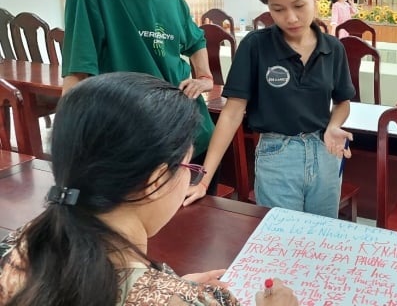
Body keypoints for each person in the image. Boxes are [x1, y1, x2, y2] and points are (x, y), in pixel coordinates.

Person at [0, 72, 298, 305]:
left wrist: (164, 285)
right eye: (189, 168)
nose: (189, 180)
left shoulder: (20, 244)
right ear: (154, 181)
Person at [183, 0, 356, 218]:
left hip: (324, 153)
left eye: (299, 5)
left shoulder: (333, 49)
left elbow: (343, 102)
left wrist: (334, 125)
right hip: (277, 156)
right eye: (278, 9)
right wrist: (204, 178)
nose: (290, 17)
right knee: (280, 243)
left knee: (323, 239)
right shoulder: (256, 46)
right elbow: (231, 114)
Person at [60, 0, 219, 194]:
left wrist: (205, 77)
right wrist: (69, 165)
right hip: (136, 148)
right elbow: (77, 78)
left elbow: (196, 40)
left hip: (191, 141)